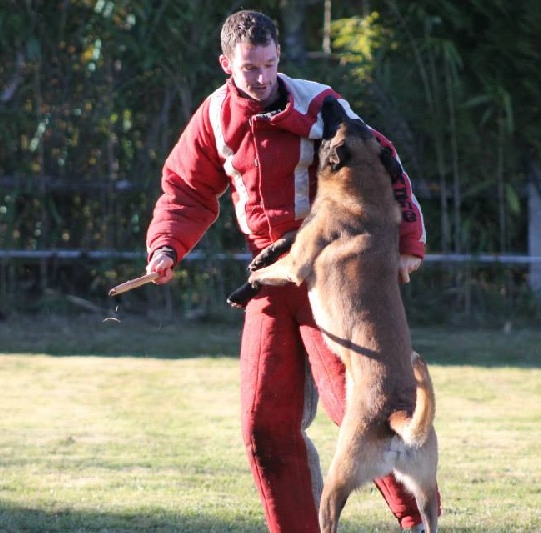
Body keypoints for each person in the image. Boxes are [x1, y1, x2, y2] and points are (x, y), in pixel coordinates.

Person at [145, 10, 435, 532]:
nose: (262, 78)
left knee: (358, 407)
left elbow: (384, 159)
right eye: (249, 68)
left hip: (331, 269)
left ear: (279, 57)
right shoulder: (213, 117)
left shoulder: (319, 104)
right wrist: (166, 246)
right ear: (226, 64)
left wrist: (410, 241)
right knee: (264, 424)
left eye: (270, 65)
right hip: (270, 273)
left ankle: (415, 519)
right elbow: (185, 189)